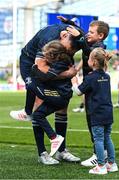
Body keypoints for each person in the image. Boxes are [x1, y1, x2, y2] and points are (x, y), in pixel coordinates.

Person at [10, 22, 84, 162]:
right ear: (63, 36)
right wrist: (68, 74)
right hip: (31, 63)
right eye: (69, 49)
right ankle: (42, 153)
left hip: (53, 62)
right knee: (38, 102)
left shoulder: (74, 36)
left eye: (73, 52)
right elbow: (41, 70)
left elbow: (87, 43)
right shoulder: (48, 40)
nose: (70, 53)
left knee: (62, 107)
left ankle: (61, 151)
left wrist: (75, 30)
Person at [27, 40, 79, 164]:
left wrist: (34, 68)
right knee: (38, 114)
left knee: (30, 82)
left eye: (46, 55)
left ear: (54, 56)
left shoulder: (59, 63)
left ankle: (54, 137)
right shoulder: (64, 61)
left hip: (60, 97)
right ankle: (28, 113)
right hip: (60, 96)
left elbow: (45, 77)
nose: (44, 57)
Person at [72, 48, 118, 175]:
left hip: (96, 113)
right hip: (108, 112)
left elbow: (78, 92)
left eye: (89, 58)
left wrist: (74, 81)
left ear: (93, 62)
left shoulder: (90, 77)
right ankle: (112, 164)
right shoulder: (106, 76)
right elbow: (102, 73)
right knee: (107, 137)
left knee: (98, 139)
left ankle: (101, 166)